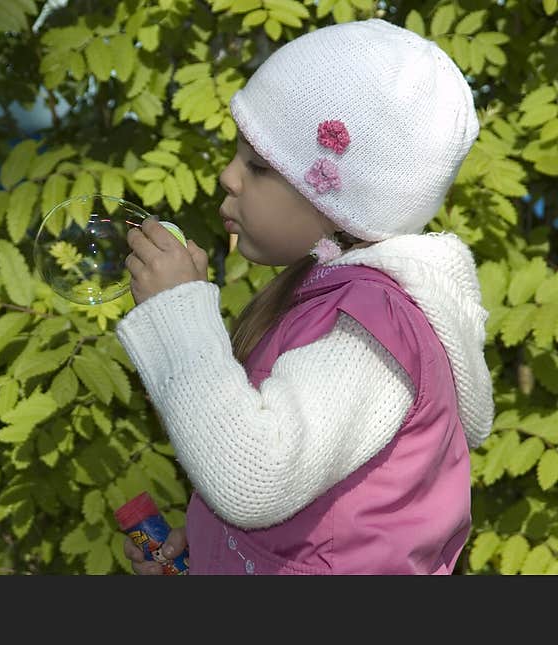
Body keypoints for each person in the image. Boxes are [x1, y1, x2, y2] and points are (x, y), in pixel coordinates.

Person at [117, 18, 493, 575]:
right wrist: (212, 549)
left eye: (259, 165)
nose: (226, 176)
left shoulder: (374, 329)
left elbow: (256, 476)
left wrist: (178, 314)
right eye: (237, 153)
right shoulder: (325, 297)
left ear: (340, 200)